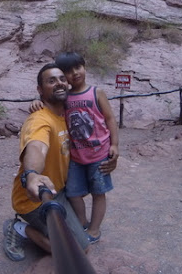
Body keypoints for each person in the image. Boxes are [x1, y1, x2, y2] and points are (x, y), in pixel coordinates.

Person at [4, 63, 113, 262]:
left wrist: (111, 155)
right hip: (35, 199)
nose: (59, 83)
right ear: (40, 90)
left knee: (80, 242)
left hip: (60, 192)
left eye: (62, 79)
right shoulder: (39, 120)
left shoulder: (68, 114)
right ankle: (19, 229)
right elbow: (37, 146)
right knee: (75, 251)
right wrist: (32, 174)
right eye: (51, 81)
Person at [31, 52, 119, 244]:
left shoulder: (97, 93)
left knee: (98, 192)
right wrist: (37, 101)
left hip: (99, 155)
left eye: (78, 67)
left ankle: (94, 229)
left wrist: (114, 145)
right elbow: (49, 102)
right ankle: (81, 220)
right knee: (73, 192)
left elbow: (110, 118)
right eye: (68, 72)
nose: (75, 73)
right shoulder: (65, 97)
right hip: (76, 157)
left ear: (85, 67)